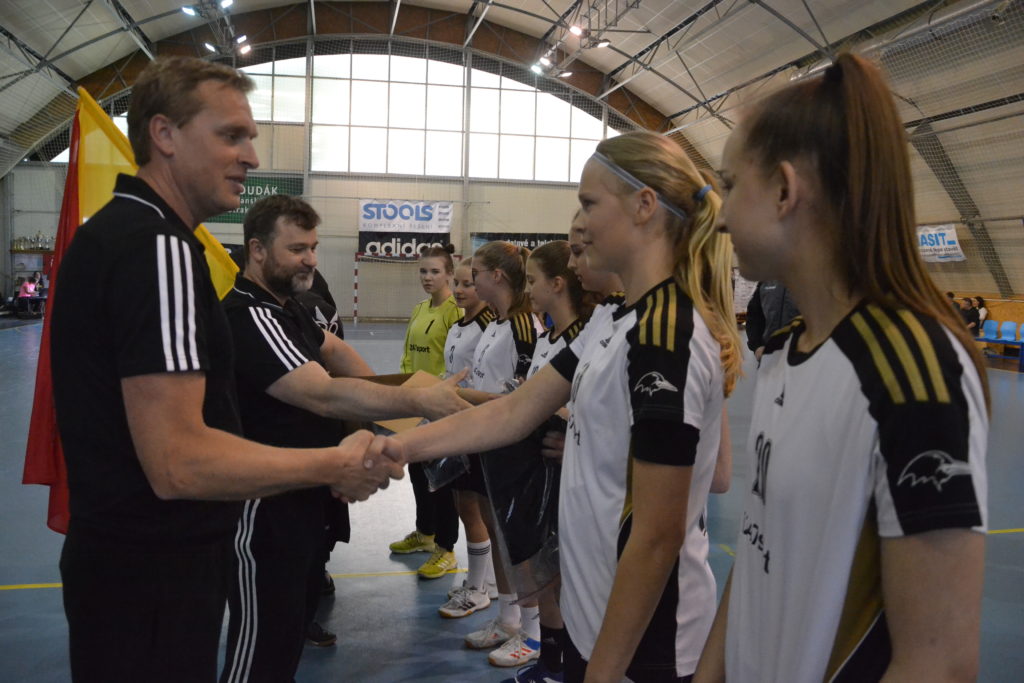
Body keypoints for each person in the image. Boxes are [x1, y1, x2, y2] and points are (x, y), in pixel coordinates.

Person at [49, 56, 404, 682]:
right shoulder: (158, 247)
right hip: (154, 568)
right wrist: (333, 465)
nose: (251, 157)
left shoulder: (124, 235)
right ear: (164, 134)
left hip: (126, 564)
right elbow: (178, 461)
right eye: (231, 135)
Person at [387, 131, 742, 683]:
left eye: (590, 203)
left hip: (641, 639)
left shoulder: (665, 336)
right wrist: (397, 447)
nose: (581, 223)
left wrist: (602, 671)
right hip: (593, 610)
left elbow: (657, 536)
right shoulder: (613, 319)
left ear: (644, 206)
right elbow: (514, 412)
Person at [695, 53, 988, 682]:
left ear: (784, 190)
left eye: (731, 185)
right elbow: (759, 549)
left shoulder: (911, 372)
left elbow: (938, 663)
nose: (720, 215)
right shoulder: (784, 353)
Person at [220, 194, 470, 682]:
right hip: (264, 508)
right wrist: (418, 403)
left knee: (289, 630)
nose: (311, 259)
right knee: (261, 644)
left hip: (305, 496)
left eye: (313, 247)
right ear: (257, 250)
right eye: (297, 249)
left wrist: (394, 407)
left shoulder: (289, 309)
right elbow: (323, 394)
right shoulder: (250, 316)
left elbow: (335, 352)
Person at [462, 240, 543, 664]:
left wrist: (467, 399)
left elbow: (525, 394)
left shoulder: (524, 325)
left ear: (496, 276)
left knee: (516, 537)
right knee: (494, 527)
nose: (471, 280)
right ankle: (509, 616)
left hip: (511, 444)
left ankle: (534, 629)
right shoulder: (495, 321)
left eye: (476, 273)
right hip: (485, 438)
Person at [389, 244, 465, 579]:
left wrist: (436, 396)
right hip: (414, 403)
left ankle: (446, 548)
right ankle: (425, 532)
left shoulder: (454, 311)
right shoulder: (420, 308)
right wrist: (405, 395)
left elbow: (455, 360)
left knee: (442, 479)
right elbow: (408, 355)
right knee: (419, 472)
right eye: (423, 271)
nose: (428, 277)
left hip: (438, 406)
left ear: (449, 274)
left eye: (435, 271)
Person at [437, 256, 499, 619]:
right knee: (465, 505)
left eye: (468, 283)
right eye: (457, 283)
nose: (459, 290)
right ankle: (485, 579)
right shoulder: (459, 324)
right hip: (456, 422)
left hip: (476, 424)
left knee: (473, 508)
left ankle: (478, 589)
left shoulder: (490, 326)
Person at [745, 280, 799, 360]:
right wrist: (757, 346)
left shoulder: (809, 280)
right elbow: (754, 315)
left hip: (798, 355)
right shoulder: (767, 280)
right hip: (768, 355)